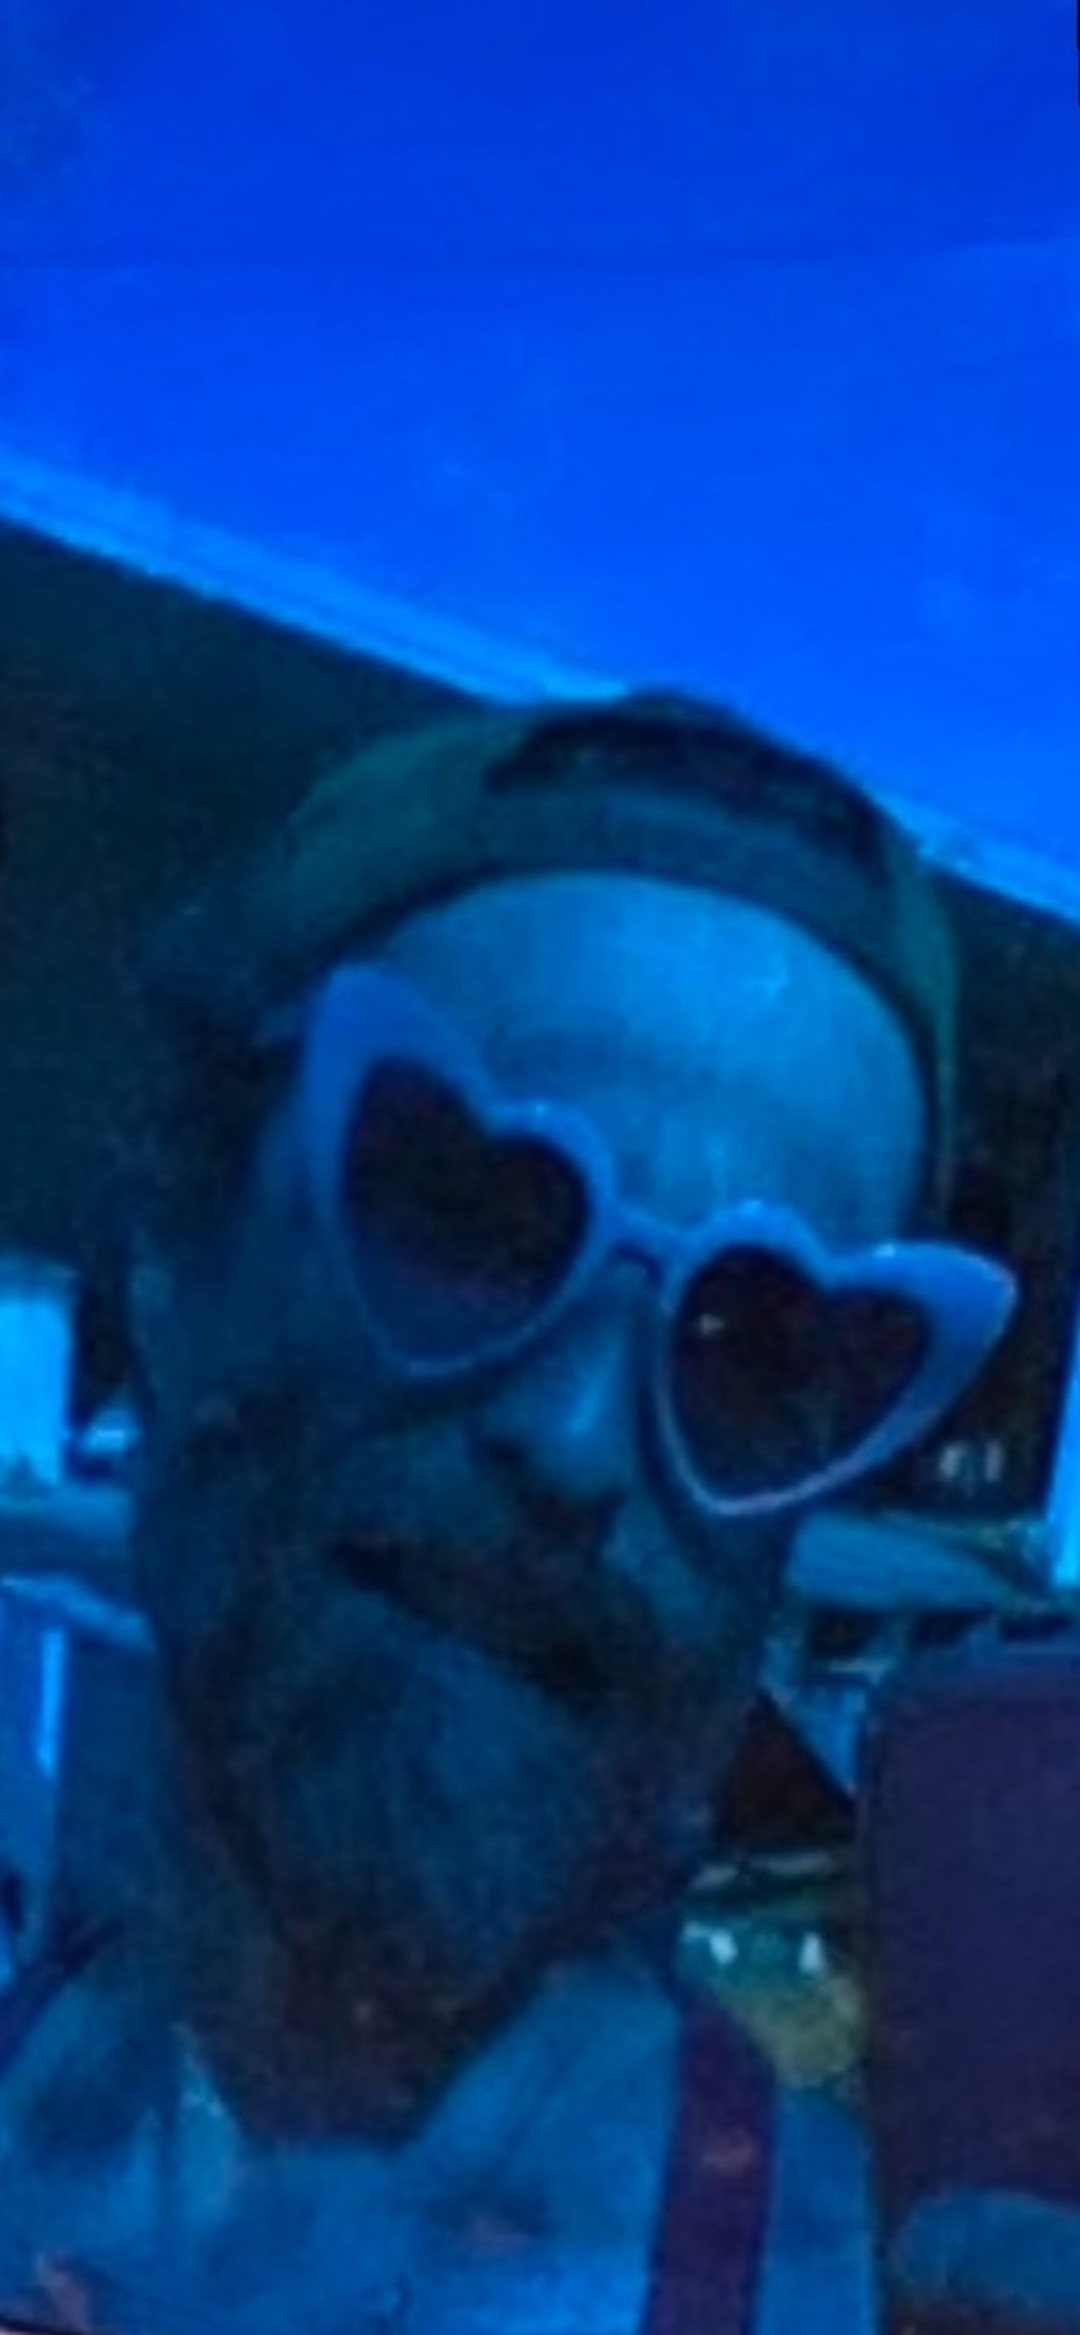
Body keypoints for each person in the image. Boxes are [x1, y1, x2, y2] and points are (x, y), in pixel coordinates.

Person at [0, 693, 1015, 2332]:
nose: (575, 1439)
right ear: (178, 1259)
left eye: (758, 1349)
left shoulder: (865, 2296)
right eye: (467, 1209)